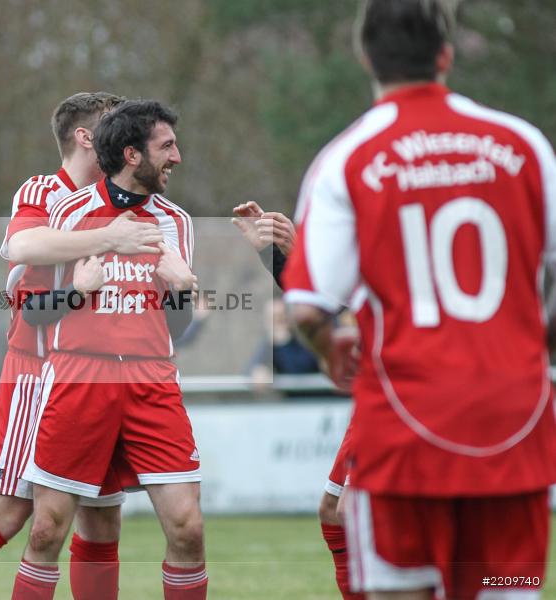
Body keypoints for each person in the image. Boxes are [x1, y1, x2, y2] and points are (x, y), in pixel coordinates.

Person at [283, 1, 556, 598]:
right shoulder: (525, 145)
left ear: (365, 59)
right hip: (513, 425)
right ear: (445, 55)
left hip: (405, 427)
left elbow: (307, 308)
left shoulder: (345, 159)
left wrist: (330, 350)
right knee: (506, 587)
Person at [0, 92, 166, 600]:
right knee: (12, 511)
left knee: (102, 518)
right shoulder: (43, 190)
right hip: (38, 369)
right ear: (85, 136)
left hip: (105, 375)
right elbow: (22, 246)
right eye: (112, 124)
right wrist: (106, 241)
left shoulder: (117, 196)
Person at [11, 99, 205, 600]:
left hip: (152, 382)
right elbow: (30, 311)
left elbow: (176, 329)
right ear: (132, 155)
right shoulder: (67, 212)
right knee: (46, 531)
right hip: (78, 380)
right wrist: (78, 291)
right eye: (167, 146)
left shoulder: (176, 224)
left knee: (187, 530)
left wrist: (181, 290)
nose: (177, 157)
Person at [234, 201, 362, 598]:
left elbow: (325, 309)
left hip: (415, 390)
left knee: (354, 513)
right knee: (334, 513)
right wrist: (279, 255)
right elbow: (334, 304)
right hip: (383, 392)